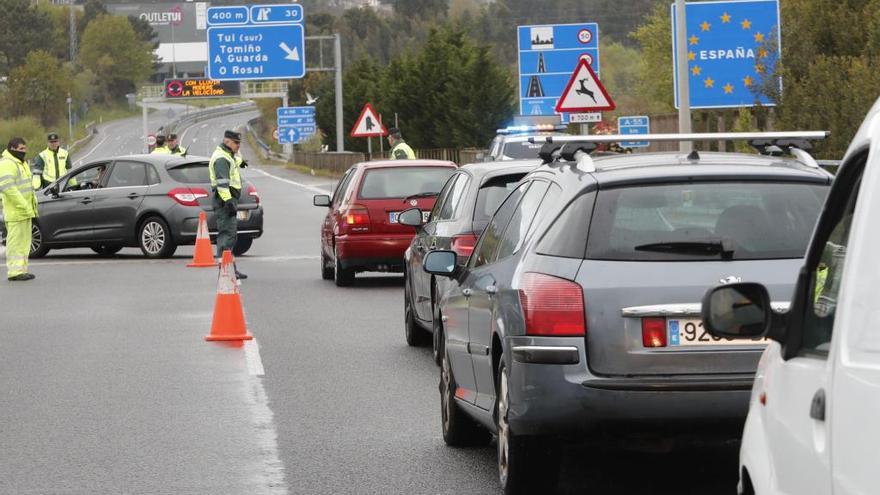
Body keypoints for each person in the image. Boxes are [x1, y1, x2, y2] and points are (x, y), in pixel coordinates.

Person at [209, 130, 247, 280]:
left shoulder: (228, 156)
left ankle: (232, 268)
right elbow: (222, 184)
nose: (238, 146)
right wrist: (229, 202)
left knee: (231, 235)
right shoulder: (221, 159)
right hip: (224, 201)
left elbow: (237, 162)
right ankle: (225, 269)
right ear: (227, 142)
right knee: (226, 236)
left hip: (227, 200)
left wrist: (240, 158)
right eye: (236, 143)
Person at [0, 137, 38, 281]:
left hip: (25, 210)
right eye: (21, 149)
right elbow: (9, 188)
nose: (24, 151)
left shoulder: (21, 163)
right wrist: (24, 205)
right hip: (16, 212)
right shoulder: (7, 164)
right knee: (15, 243)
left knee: (24, 243)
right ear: (12, 148)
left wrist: (31, 206)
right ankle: (14, 272)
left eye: (25, 148)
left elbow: (28, 186)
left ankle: (21, 270)